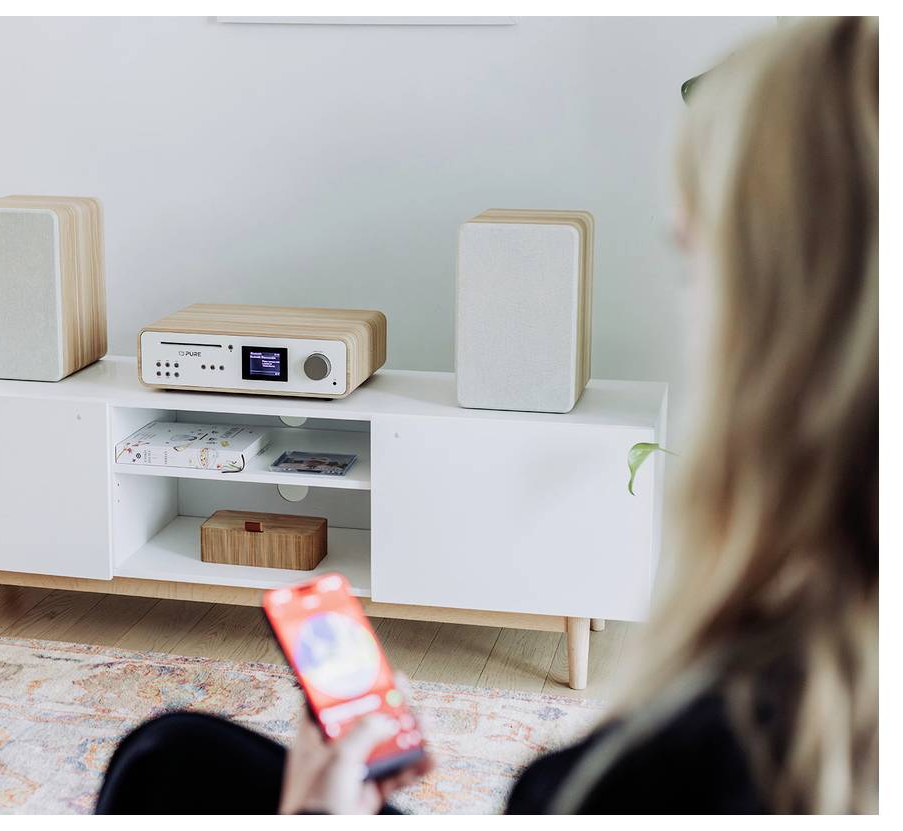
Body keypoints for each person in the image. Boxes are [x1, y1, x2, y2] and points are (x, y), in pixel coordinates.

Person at [95, 16, 878, 815]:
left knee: (163, 761)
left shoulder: (625, 783)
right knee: (178, 753)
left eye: (693, 259)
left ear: (786, 322)